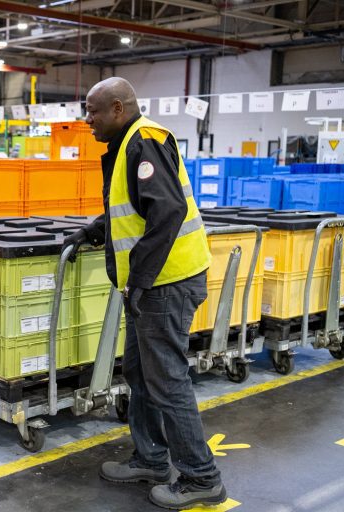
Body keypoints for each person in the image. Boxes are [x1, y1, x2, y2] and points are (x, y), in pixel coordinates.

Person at [62, 77, 224, 510]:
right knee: (139, 370)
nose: (87, 120)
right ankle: (152, 458)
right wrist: (92, 231)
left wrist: (140, 281)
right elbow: (132, 206)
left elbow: (167, 211)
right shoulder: (128, 145)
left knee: (166, 379)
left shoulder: (144, 141)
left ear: (118, 108)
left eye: (93, 111)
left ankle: (201, 477)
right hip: (154, 284)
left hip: (166, 284)